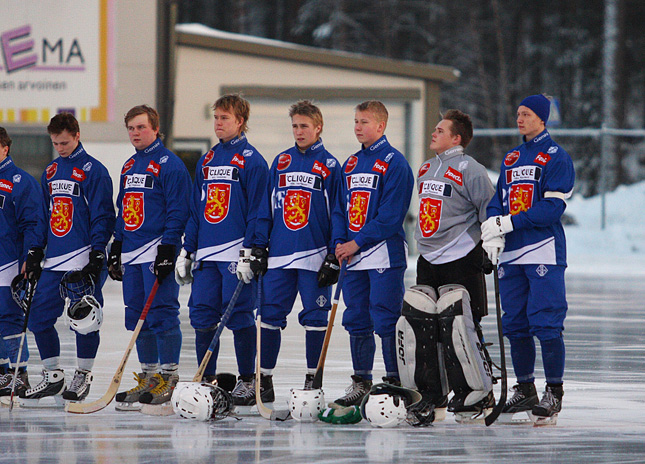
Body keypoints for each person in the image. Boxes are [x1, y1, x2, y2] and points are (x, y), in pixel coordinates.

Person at [481, 94, 575, 424]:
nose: (520, 119)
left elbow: (553, 208)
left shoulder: (556, 157)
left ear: (543, 119)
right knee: (515, 323)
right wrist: (492, 227)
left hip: (543, 249)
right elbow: (498, 201)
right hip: (512, 253)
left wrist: (511, 222)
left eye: (527, 114)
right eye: (518, 113)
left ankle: (554, 391)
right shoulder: (511, 158)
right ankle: (525, 389)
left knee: (546, 322)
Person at [400, 109, 496, 424]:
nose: (434, 133)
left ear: (456, 138)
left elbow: (488, 210)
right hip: (429, 258)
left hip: (462, 256)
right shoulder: (426, 168)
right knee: (426, 324)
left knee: (462, 325)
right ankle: (433, 394)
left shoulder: (472, 169)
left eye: (440, 130)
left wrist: (486, 246)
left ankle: (477, 393)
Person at [175, 94, 268, 406]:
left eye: (224, 118)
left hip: (235, 255)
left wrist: (253, 250)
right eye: (216, 118)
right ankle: (207, 379)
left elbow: (258, 209)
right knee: (201, 316)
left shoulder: (253, 160)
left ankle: (247, 380)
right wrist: (188, 250)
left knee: (239, 316)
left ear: (240, 121)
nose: (218, 124)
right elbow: (197, 209)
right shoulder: (208, 159)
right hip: (207, 255)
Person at [250, 100, 344, 402]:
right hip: (278, 254)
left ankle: (312, 379)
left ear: (318, 128)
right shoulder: (280, 162)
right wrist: (259, 245)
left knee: (315, 318)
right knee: (267, 316)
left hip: (314, 255)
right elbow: (265, 206)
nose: (299, 131)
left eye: (304, 126)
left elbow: (338, 213)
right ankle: (263, 379)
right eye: (295, 126)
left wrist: (333, 253)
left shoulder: (330, 166)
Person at [19, 113, 115, 405]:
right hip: (54, 261)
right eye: (55, 143)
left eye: (64, 142)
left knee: (84, 320)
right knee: (37, 316)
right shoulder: (49, 171)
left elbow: (103, 215)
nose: (60, 148)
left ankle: (82, 375)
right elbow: (43, 217)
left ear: (76, 135)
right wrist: (35, 250)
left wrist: (98, 253)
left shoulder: (93, 171)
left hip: (82, 258)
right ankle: (53, 375)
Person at [109, 105, 191, 410]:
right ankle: (148, 377)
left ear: (155, 129)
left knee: (161, 314)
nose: (135, 133)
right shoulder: (129, 165)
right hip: (131, 250)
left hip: (156, 250)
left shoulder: (170, 164)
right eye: (130, 128)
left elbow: (178, 209)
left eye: (141, 127)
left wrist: (170, 248)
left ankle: (168, 378)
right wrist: (116, 245)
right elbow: (124, 208)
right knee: (136, 316)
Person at [333, 100, 414, 406]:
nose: (358, 127)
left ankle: (394, 378)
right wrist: (340, 242)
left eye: (364, 122)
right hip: (352, 255)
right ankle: (361, 380)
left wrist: (357, 242)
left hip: (382, 253)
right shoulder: (351, 163)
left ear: (380, 126)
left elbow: (391, 215)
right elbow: (340, 209)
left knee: (385, 317)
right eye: (355, 121)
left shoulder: (396, 163)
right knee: (356, 318)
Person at [0, 127, 46, 398]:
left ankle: (19, 373)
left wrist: (30, 255)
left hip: (10, 261)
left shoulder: (21, 181)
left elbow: (33, 223)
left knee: (9, 317)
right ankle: (3, 371)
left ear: (6, 148)